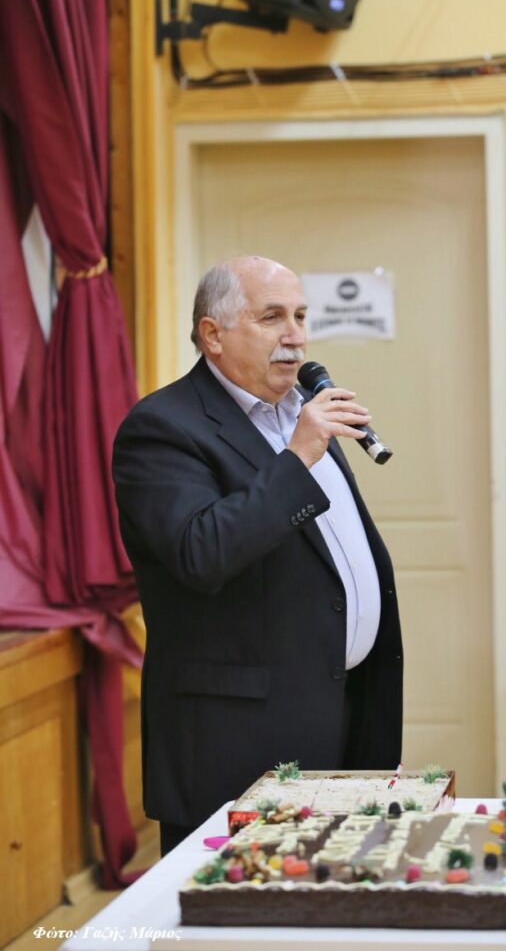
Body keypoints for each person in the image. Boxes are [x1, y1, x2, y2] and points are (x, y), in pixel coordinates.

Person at [112, 255, 403, 855]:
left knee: (337, 902)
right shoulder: (162, 428)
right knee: (240, 912)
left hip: (340, 719)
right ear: (213, 335)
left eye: (300, 316)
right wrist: (297, 458)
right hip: (236, 748)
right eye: (272, 317)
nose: (295, 336)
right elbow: (201, 553)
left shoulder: (301, 412)